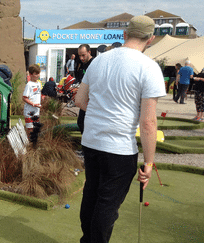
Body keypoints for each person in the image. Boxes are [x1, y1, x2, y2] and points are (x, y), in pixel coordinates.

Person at [75, 15, 166, 243]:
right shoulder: (149, 67)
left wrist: (100, 113)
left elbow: (80, 100)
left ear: (125, 34)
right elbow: (148, 122)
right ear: (151, 39)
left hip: (92, 142)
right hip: (119, 149)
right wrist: (149, 161)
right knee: (107, 204)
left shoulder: (98, 60)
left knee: (91, 195)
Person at [75, 44, 94, 134]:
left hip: (93, 99)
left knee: (88, 124)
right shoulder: (81, 65)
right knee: (81, 123)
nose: (81, 58)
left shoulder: (94, 63)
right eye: (79, 55)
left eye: (83, 55)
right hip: (85, 99)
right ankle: (86, 146)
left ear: (89, 52)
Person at [22, 64, 42, 131]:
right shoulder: (29, 84)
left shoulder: (39, 83)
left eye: (38, 73)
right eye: (35, 74)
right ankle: (28, 141)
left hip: (36, 111)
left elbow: (37, 94)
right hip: (29, 111)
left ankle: (33, 141)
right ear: (30, 74)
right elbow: (24, 98)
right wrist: (33, 104)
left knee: (35, 130)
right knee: (30, 130)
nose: (37, 75)